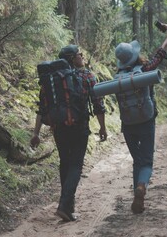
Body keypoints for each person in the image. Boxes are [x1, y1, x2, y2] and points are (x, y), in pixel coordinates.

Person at [30, 45, 107, 221]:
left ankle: (68, 207)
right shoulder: (86, 76)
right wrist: (102, 127)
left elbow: (42, 108)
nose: (82, 56)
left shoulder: (50, 80)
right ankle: (65, 205)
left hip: (59, 127)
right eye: (79, 54)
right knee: (76, 164)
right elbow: (97, 103)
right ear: (72, 58)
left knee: (65, 162)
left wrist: (36, 133)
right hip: (80, 126)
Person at [114, 23, 167, 214]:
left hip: (128, 124)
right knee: (147, 161)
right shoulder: (146, 68)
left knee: (137, 161)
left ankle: (137, 194)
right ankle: (141, 186)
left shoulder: (117, 78)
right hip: (146, 120)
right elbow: (160, 52)